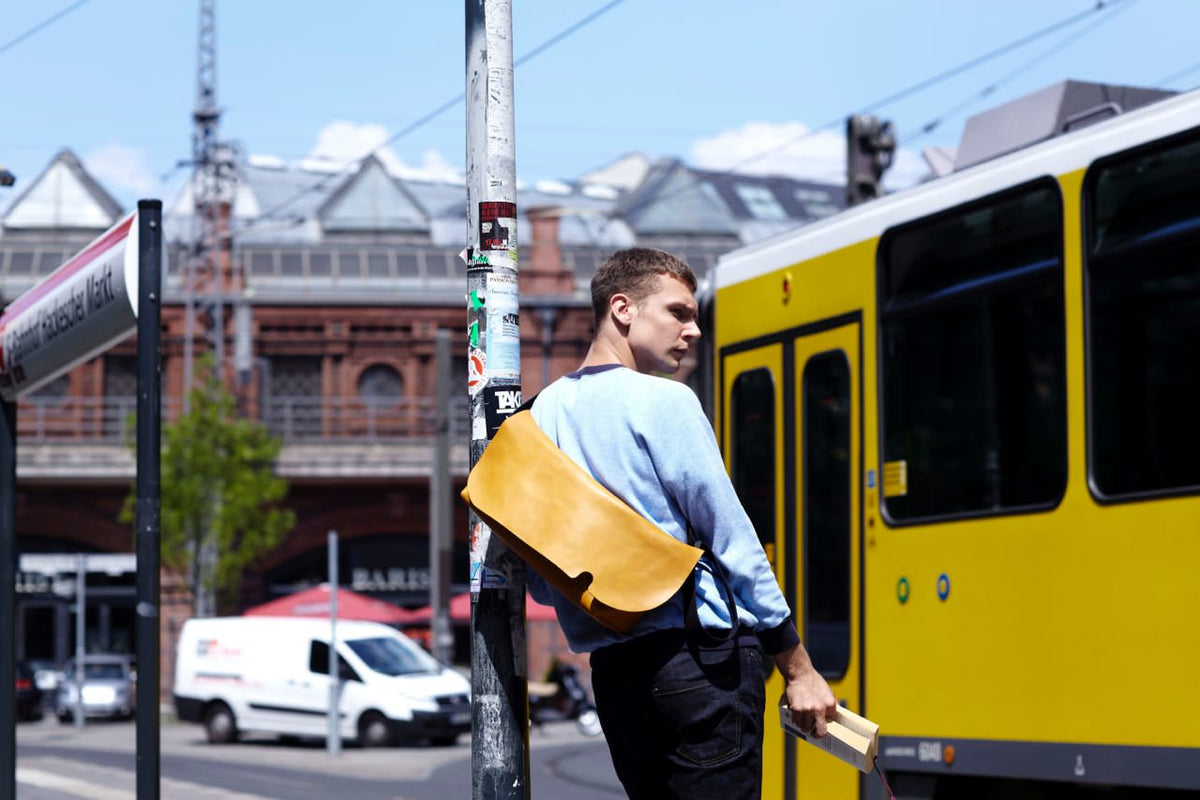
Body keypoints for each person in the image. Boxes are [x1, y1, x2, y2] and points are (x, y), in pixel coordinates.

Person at [526, 247, 837, 799]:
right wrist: (799, 669)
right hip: (700, 661)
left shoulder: (541, 414)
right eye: (679, 312)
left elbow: (541, 572)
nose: (693, 330)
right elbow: (731, 538)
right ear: (623, 308)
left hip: (616, 673)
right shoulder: (665, 400)